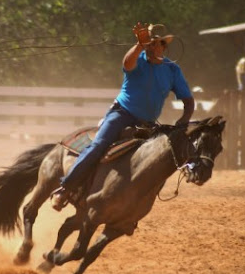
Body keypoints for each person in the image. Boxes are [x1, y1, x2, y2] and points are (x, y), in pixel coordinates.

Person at [50, 22, 195, 211]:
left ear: (163, 46)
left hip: (148, 123)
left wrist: (184, 120)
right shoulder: (138, 59)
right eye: (148, 44)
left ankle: (135, 206)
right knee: (98, 146)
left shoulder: (172, 70)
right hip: (122, 113)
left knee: (156, 158)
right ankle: (65, 188)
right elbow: (127, 62)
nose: (151, 47)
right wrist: (139, 45)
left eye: (155, 43)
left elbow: (188, 100)